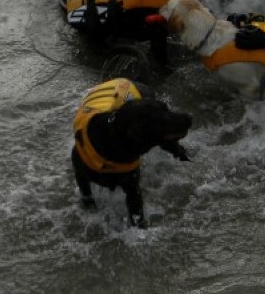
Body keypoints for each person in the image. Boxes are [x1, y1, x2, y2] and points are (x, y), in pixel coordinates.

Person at [71, 78, 192, 227]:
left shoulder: (135, 137)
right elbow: (80, 174)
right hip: (116, 112)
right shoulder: (86, 149)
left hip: (135, 92)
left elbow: (134, 197)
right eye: (165, 117)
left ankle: (175, 149)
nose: (188, 117)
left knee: (134, 184)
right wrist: (87, 200)